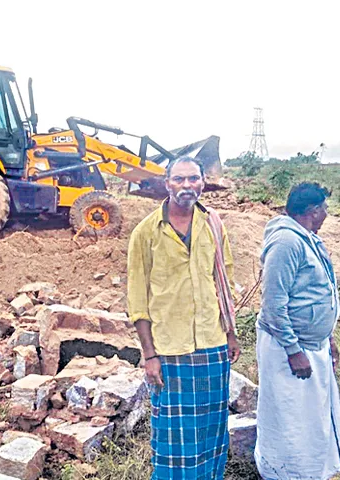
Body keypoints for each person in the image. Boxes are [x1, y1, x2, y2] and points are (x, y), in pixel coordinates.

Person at [127, 156, 241, 480]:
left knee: (211, 431)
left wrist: (231, 334)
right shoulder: (146, 232)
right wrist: (149, 355)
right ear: (167, 185)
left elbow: (224, 282)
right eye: (179, 179)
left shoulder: (214, 225)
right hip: (169, 348)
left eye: (193, 179)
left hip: (211, 343)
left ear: (203, 183)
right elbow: (138, 299)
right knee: (173, 436)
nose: (187, 186)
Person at [254, 182, 340, 480]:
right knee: (289, 418)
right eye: (325, 209)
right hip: (288, 348)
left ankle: (308, 472)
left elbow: (313, 294)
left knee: (310, 417)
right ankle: (283, 474)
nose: (327, 214)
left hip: (312, 344)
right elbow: (274, 305)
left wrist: (329, 336)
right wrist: (293, 351)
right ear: (313, 212)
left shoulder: (308, 239)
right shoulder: (287, 243)